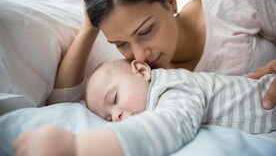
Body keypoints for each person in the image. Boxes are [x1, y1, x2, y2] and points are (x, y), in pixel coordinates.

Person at [49, 0, 276, 110]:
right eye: (121, 44)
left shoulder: (231, 5)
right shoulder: (135, 72)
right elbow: (61, 102)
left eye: (146, 30)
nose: (139, 56)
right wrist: (90, 24)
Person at [14, 58, 276, 156]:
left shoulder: (173, 85)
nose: (115, 116)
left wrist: (78, 147)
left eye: (114, 98)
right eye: (107, 117)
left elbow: (172, 124)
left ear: (141, 71)